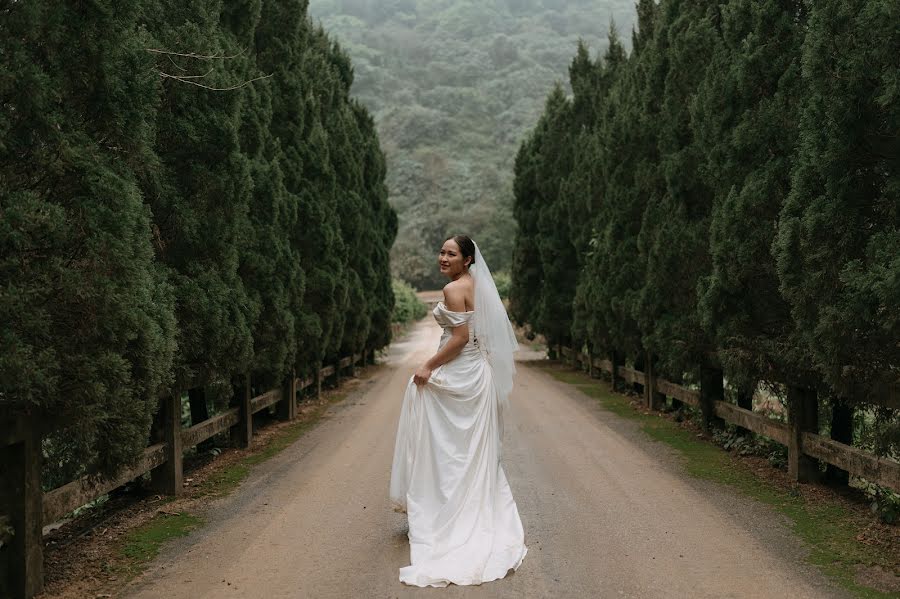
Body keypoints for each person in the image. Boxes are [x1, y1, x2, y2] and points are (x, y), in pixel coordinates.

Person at [389, 234, 527, 587]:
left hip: (462, 369)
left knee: (443, 441)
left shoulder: (454, 290)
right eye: (442, 252)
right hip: (477, 374)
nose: (443, 258)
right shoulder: (476, 284)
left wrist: (428, 366)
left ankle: (442, 510)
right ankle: (469, 508)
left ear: (467, 259)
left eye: (451, 253)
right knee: (470, 450)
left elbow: (461, 338)